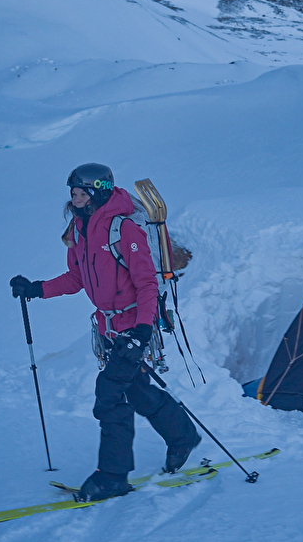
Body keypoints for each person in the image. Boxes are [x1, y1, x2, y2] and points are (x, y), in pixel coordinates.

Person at [10, 162, 200, 502]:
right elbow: (77, 278)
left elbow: (145, 284)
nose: (76, 198)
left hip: (134, 326)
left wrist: (142, 331)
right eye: (73, 193)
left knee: (110, 395)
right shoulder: (80, 231)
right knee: (137, 390)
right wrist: (36, 289)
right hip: (108, 328)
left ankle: (113, 476)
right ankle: (182, 435)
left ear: (98, 192)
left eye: (82, 192)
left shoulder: (123, 229)